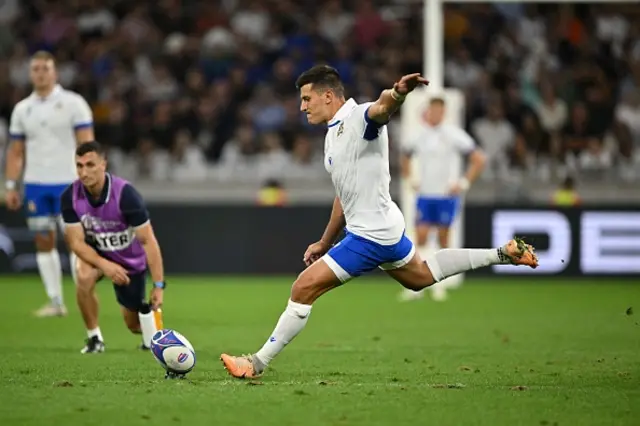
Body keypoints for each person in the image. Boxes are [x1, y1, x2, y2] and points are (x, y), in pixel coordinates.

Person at [220, 65, 538, 378]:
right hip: (385, 227)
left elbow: (382, 108)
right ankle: (503, 253)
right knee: (421, 277)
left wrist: (398, 92)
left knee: (303, 287)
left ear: (328, 96)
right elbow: (343, 195)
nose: (303, 107)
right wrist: (325, 241)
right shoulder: (333, 135)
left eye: (307, 99)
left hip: (369, 236)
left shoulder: (358, 118)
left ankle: (255, 364)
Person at [5, 51, 95, 317]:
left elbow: (86, 143)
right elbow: (15, 151)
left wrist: (89, 178)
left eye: (45, 68)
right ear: (30, 73)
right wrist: (11, 184)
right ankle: (56, 301)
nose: (40, 73)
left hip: (69, 182)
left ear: (55, 72)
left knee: (76, 241)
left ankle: (84, 292)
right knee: (43, 240)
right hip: (35, 184)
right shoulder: (23, 109)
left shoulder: (73, 103)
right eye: (36, 69)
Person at [60, 142, 166, 354]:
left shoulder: (126, 195)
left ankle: (149, 324)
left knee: (133, 325)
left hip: (129, 261)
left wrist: (158, 285)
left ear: (103, 164)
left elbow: (148, 241)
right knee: (84, 276)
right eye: (79, 166)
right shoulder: (70, 197)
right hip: (96, 255)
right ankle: (94, 338)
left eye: (90, 164)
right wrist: (105, 265)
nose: (84, 171)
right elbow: (76, 243)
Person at [399, 96, 486, 302]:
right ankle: (416, 286)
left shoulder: (453, 135)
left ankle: (439, 285)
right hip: (425, 195)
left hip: (445, 196)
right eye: (432, 110)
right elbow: (404, 156)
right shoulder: (419, 135)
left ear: (443, 113)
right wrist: (410, 178)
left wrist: (463, 183)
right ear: (428, 111)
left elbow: (478, 159)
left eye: (439, 111)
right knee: (420, 237)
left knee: (443, 240)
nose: (435, 114)